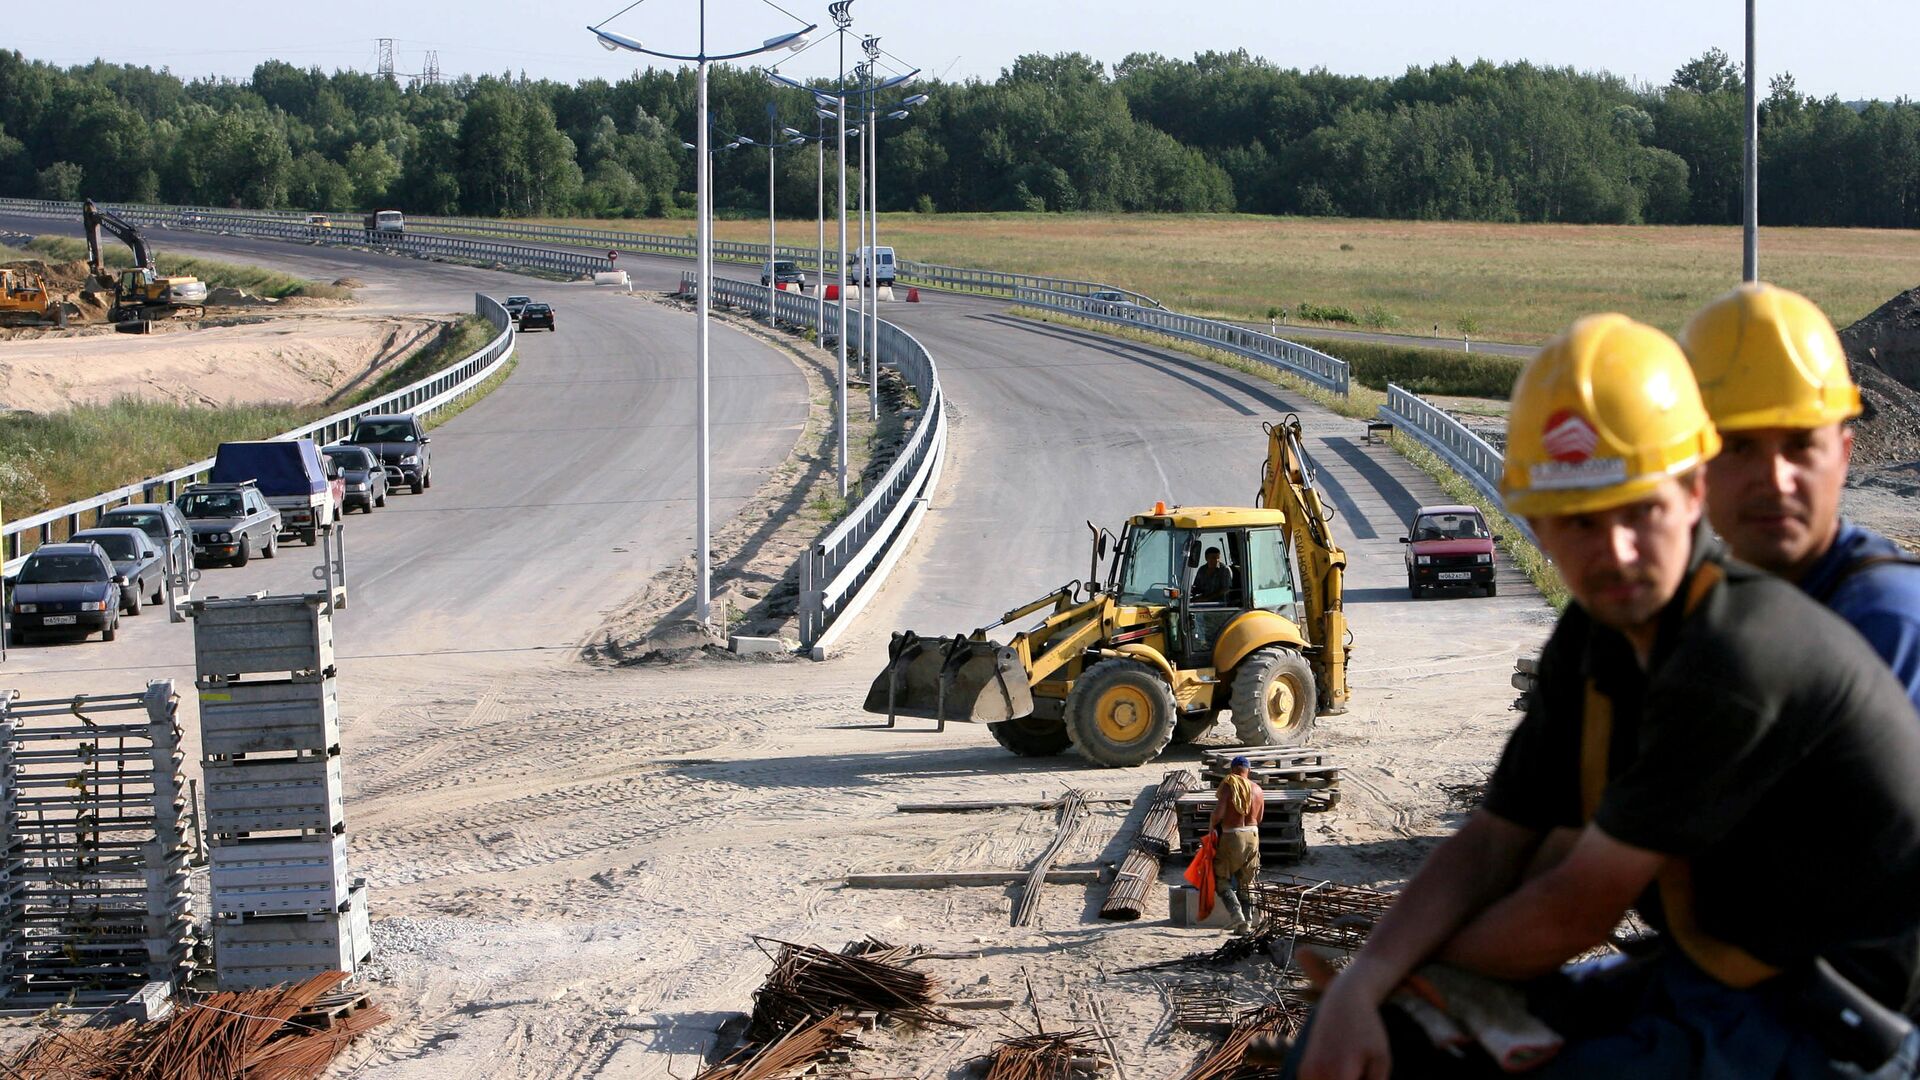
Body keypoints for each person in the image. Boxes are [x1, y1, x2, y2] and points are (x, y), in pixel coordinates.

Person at [1288, 313, 1920, 1080]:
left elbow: (1577, 905)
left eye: (1639, 512)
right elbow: (1495, 838)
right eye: (1580, 522)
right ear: (1537, 527)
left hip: (1828, 1023)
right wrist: (1364, 983)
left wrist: (1393, 983)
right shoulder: (1599, 638)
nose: (1614, 551)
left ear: (1692, 491)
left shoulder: (1740, 648)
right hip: (1716, 979)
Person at [1680, 283, 1920, 709]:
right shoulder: (1683, 614)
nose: (1775, 479)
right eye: (1739, 447)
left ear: (1844, 455)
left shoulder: (1888, 622)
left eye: (1800, 445)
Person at [1209, 755, 1265, 936]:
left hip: (1233, 835)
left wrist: (1211, 827)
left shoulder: (1229, 785)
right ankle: (1246, 924)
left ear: (1233, 769)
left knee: (1221, 880)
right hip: (1253, 835)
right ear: (1248, 770)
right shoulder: (1258, 789)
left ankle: (1237, 915)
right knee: (1246, 882)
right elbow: (1260, 818)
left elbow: (1219, 813)